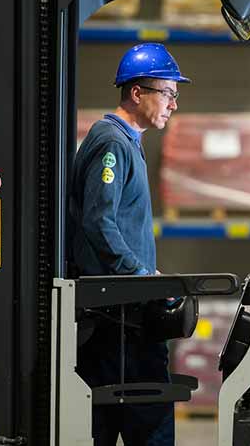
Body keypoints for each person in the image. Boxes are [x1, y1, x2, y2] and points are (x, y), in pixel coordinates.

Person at [67, 42, 189, 446]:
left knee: (103, 426)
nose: (173, 104)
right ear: (137, 93)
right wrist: (138, 275)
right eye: (168, 93)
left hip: (120, 313)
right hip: (119, 319)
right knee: (149, 425)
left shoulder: (126, 141)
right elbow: (98, 221)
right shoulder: (113, 143)